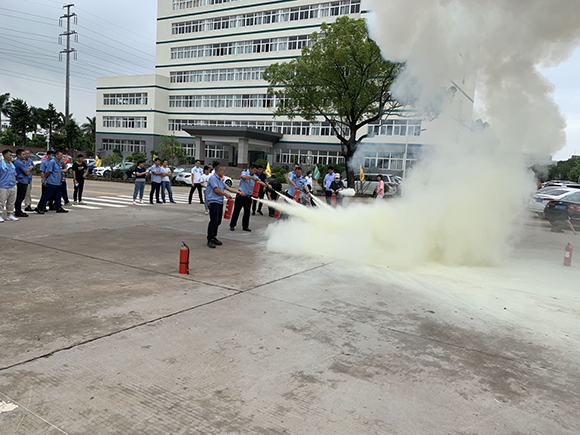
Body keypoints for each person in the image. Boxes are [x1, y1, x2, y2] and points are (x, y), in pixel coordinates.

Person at [206, 162, 245, 248]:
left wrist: (239, 192)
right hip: (213, 202)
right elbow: (216, 190)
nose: (224, 173)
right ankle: (210, 239)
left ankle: (214, 237)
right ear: (219, 170)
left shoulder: (220, 180)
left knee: (218, 221)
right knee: (214, 221)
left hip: (219, 202)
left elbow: (228, 188)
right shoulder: (213, 178)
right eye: (223, 171)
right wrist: (225, 194)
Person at [230, 164, 264, 232]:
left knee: (247, 212)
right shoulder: (245, 172)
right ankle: (232, 225)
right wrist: (252, 178)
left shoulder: (255, 176)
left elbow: (260, 181)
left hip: (248, 196)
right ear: (250, 169)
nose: (255, 172)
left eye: (256, 171)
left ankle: (245, 226)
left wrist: (266, 185)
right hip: (241, 195)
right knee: (236, 211)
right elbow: (243, 177)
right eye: (254, 170)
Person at [14, 148, 34, 217]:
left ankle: (18, 210)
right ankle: (18, 211)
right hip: (21, 181)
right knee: (20, 197)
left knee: (22, 197)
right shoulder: (18, 162)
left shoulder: (23, 161)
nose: (25, 155)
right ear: (18, 155)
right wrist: (29, 169)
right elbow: (26, 172)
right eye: (23, 154)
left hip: (25, 181)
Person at [0, 149, 18, 222]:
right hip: (3, 186)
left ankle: (10, 214)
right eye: (9, 155)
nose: (11, 157)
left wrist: (15, 184)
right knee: (1, 202)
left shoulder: (12, 165)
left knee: (11, 202)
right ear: (5, 156)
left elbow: (14, 175)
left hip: (12, 185)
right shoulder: (1, 165)